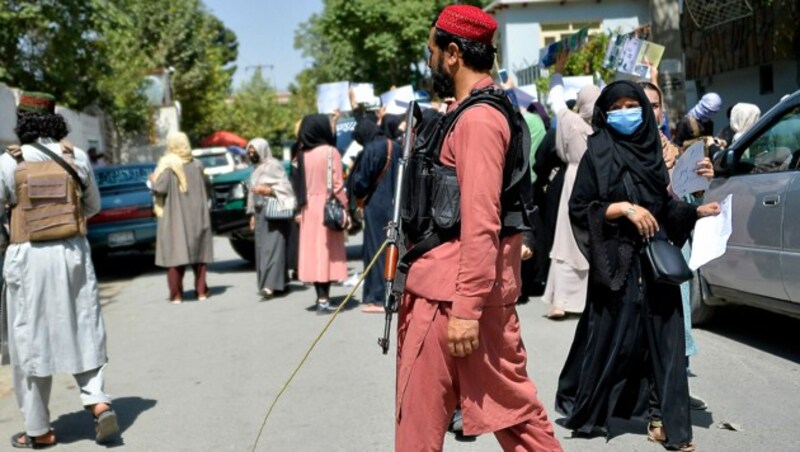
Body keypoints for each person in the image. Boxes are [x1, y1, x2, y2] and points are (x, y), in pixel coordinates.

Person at [396, 6, 562, 451]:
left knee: (436, 424)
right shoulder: (471, 112)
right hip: (454, 291)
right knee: (514, 420)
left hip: (454, 299)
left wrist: (466, 310)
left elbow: (482, 221)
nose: (429, 60)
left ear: (453, 54)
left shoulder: (478, 120)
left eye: (431, 50)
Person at [555, 80, 721, 452]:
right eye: (618, 106)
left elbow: (665, 209)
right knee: (613, 339)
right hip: (616, 263)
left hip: (656, 262)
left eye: (634, 105)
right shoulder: (597, 152)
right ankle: (592, 409)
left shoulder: (652, 151)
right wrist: (623, 209)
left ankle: (671, 425)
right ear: (604, 112)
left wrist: (696, 211)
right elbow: (581, 208)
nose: (626, 112)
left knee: (667, 342)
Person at [1, 92, 119, 447]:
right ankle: (98, 402)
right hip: (72, 253)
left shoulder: (8, 163)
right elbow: (93, 206)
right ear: (55, 119)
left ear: (23, 121)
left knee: (29, 339)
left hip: (28, 258)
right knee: (84, 325)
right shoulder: (76, 156)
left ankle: (39, 431)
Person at [641, 80, 715, 411]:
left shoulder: (674, 149)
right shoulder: (623, 149)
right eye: (642, 103)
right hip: (642, 245)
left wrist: (702, 179)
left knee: (678, 314)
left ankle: (675, 386)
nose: (650, 110)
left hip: (674, 245)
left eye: (655, 104)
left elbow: (688, 198)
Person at [541, 55, 601, 319]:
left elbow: (555, 98)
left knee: (566, 237)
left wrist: (558, 73)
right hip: (592, 181)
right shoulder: (599, 127)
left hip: (572, 178)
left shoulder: (568, 119)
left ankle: (561, 301)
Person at [294, 114, 350, 314]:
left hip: (308, 207)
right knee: (326, 253)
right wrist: (345, 207)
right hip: (327, 205)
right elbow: (337, 184)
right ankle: (325, 300)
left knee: (313, 253)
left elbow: (297, 183)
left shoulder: (302, 154)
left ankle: (321, 298)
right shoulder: (330, 152)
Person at [150, 131, 214, 303]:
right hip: (197, 216)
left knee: (175, 255)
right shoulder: (198, 165)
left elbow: (160, 189)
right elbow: (208, 186)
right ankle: (201, 291)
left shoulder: (168, 165)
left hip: (174, 218)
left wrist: (153, 180)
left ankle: (176, 295)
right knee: (199, 255)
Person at [246, 138, 295, 300]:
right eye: (249, 152)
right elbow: (252, 194)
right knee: (262, 249)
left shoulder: (274, 166)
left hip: (274, 212)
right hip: (260, 213)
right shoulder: (256, 169)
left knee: (273, 249)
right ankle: (279, 282)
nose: (251, 154)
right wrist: (252, 214)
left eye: (254, 152)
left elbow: (286, 188)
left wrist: (268, 190)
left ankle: (269, 286)